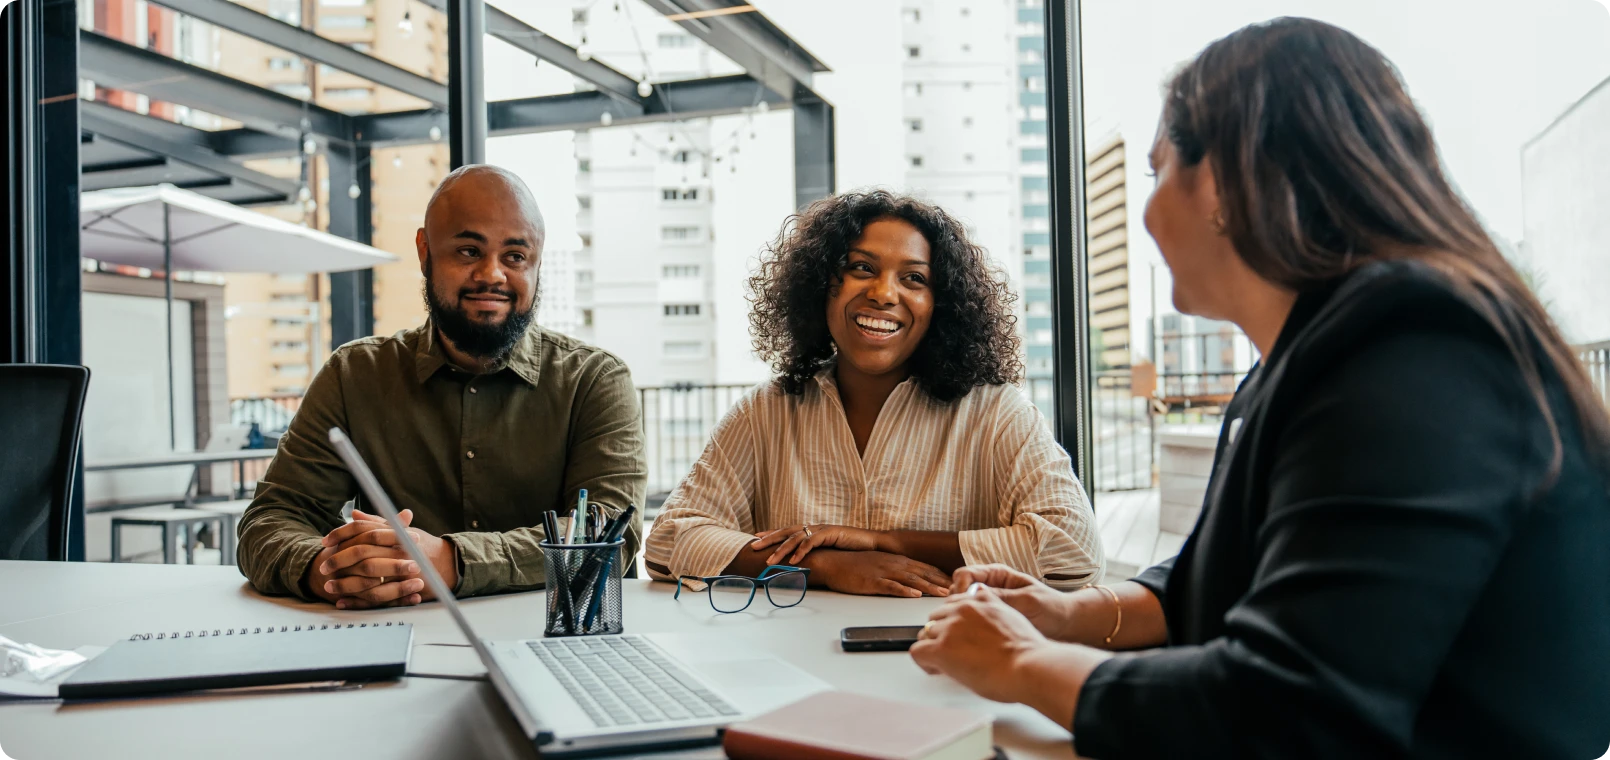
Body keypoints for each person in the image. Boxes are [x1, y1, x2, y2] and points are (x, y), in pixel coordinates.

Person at [908, 17, 1610, 758]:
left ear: (1219, 181)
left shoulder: (1412, 353)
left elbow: (1288, 711)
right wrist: (1066, 613)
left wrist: (1021, 662)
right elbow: (1224, 578)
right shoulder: (1314, 356)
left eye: (1155, 173)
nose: (1146, 213)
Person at [644, 191, 1103, 598]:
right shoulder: (766, 411)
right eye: (861, 268)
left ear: (941, 305)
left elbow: (1074, 550)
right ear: (821, 285)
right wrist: (825, 566)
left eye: (914, 278)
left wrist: (883, 542)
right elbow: (668, 544)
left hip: (946, 653)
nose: (883, 294)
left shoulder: (996, 413)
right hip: (792, 654)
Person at [237, 165, 646, 609]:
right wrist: (333, 571)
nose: (492, 274)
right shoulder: (354, 375)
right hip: (391, 634)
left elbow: (610, 536)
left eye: (515, 256)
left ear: (537, 263)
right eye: (469, 251)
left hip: (553, 635)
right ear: (424, 251)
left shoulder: (595, 380)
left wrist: (451, 562)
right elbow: (270, 520)